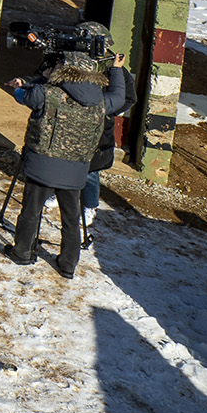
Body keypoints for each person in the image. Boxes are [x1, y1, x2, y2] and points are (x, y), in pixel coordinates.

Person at [3, 49, 126, 277]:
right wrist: (116, 70)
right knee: (71, 218)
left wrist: (20, 85)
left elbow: (22, 95)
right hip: (76, 171)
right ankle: (68, 264)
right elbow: (119, 97)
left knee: (31, 211)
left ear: (65, 70)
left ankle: (22, 251)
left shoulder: (45, 94)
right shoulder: (101, 102)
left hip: (42, 166)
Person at [75, 23, 135, 250]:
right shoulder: (76, 61)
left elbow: (128, 97)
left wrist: (108, 110)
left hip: (99, 126)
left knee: (91, 170)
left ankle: (89, 205)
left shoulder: (114, 67)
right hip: (73, 122)